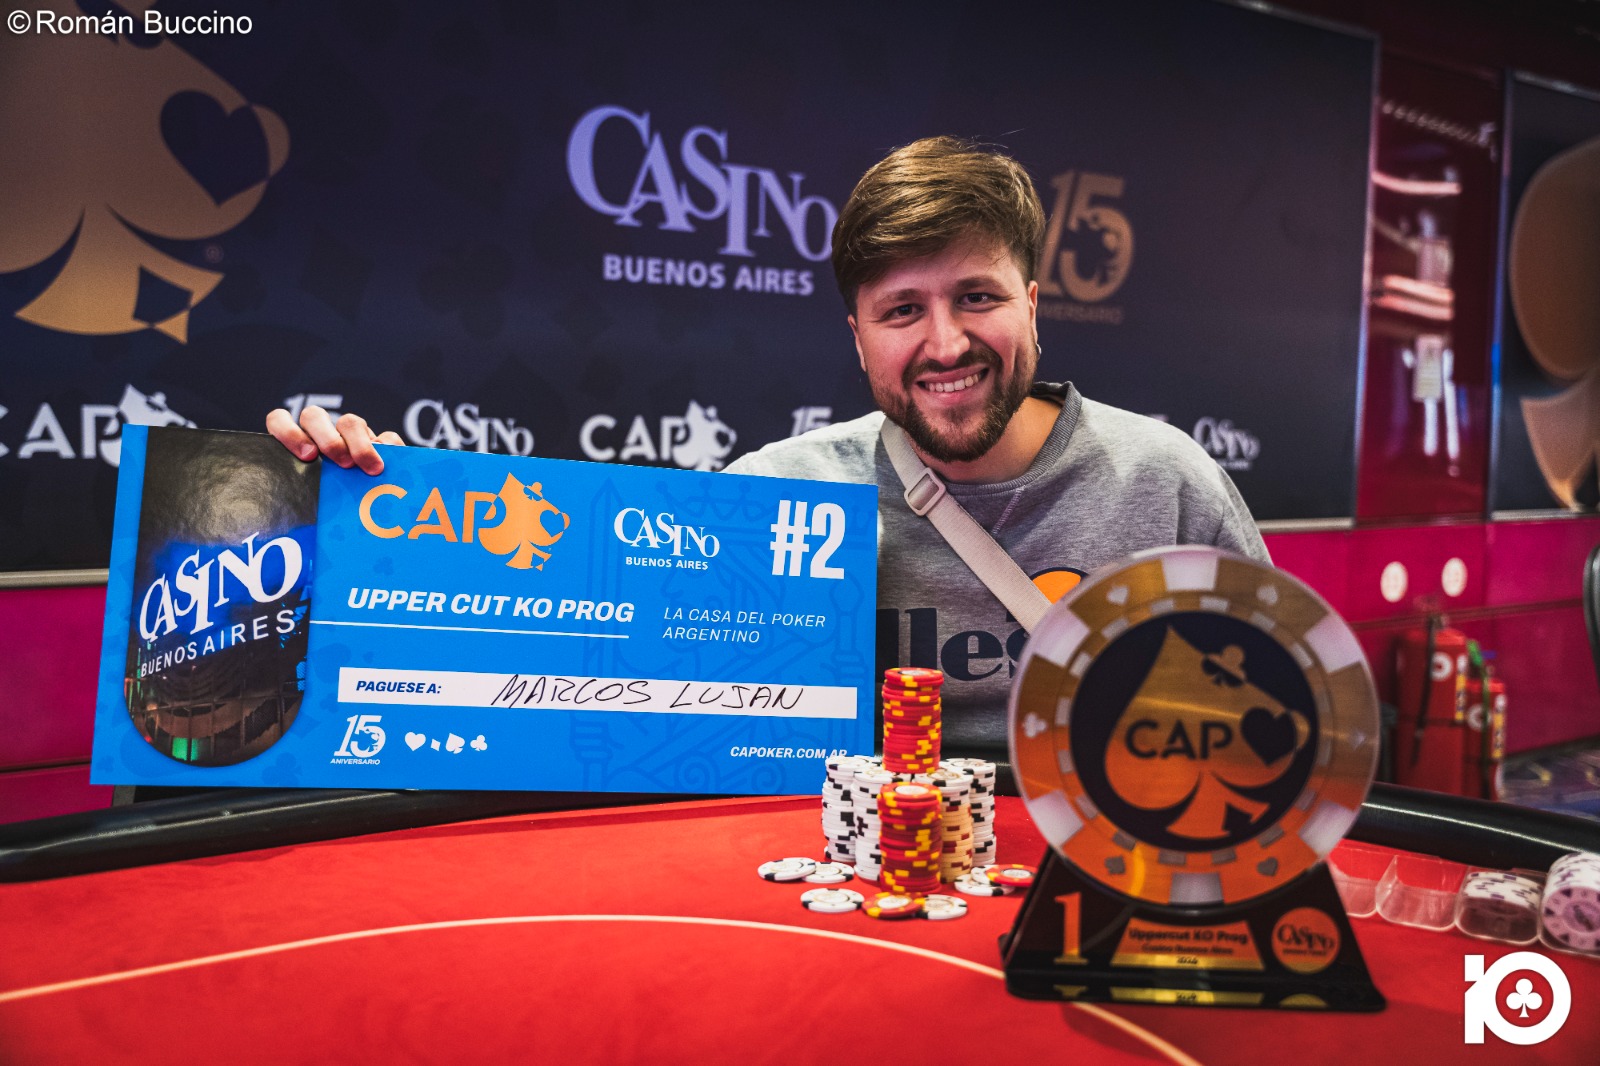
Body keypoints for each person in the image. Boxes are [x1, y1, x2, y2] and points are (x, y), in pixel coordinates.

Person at [267, 136, 1266, 762]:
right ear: (857, 338)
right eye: (901, 311)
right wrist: (375, 517)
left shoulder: (1167, 484)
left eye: (977, 297)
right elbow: (568, 675)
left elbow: (1282, 729)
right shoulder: (772, 498)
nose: (945, 343)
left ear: (1033, 306)